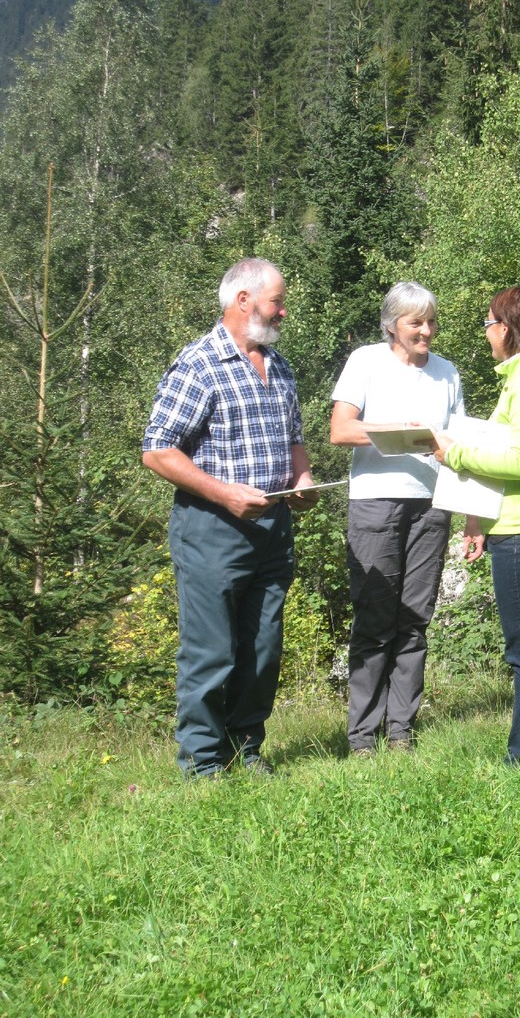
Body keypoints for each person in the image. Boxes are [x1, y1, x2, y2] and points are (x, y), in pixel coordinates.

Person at [142, 257, 318, 779]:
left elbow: (294, 439)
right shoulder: (198, 363)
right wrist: (225, 495)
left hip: (272, 529)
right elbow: (157, 450)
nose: (283, 312)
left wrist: (302, 478)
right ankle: (202, 764)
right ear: (242, 300)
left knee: (263, 649)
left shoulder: (278, 366)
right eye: (276, 302)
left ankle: (248, 749)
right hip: (212, 530)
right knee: (211, 650)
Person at [330, 281, 465, 755]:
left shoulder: (447, 372)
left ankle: (401, 731)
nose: (425, 330)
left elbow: (456, 442)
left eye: (430, 321)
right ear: (392, 325)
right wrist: (394, 432)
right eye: (415, 322)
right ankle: (362, 737)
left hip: (432, 506)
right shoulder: (365, 361)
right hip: (375, 502)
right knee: (374, 617)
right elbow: (339, 430)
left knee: (414, 619)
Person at [434, 286, 520, 766]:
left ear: (506, 329)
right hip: (518, 530)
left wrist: (456, 453)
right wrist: (479, 521)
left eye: (488, 324)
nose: (487, 333)